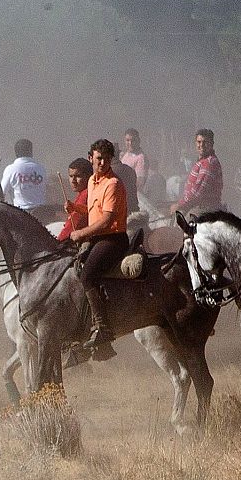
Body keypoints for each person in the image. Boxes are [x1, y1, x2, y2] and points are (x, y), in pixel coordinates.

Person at [61, 139, 128, 361]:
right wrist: (76, 207)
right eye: (98, 158)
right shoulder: (91, 181)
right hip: (99, 238)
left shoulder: (113, 184)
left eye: (106, 159)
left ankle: (103, 328)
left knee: (88, 275)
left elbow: (107, 221)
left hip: (113, 239)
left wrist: (81, 234)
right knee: (74, 269)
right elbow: (93, 212)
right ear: (91, 158)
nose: (102, 163)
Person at [171, 128, 225, 215]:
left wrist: (179, 204)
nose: (201, 145)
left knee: (180, 224)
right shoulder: (202, 161)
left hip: (206, 209)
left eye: (205, 142)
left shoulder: (209, 162)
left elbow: (198, 192)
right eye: (199, 142)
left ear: (211, 144)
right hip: (196, 205)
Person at [0, 138, 53, 220]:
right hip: (42, 213)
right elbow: (48, 189)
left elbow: (1, 193)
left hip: (21, 214)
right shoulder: (41, 168)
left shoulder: (11, 169)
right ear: (31, 152)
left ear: (16, 152)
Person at [55, 157, 91, 242]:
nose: (73, 181)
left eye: (78, 176)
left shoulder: (86, 194)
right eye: (71, 176)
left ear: (89, 177)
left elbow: (74, 223)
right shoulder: (83, 193)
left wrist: (58, 242)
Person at [119, 128, 151, 202]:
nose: (130, 143)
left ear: (138, 141)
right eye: (127, 140)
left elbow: (140, 182)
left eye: (133, 140)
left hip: (133, 196)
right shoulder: (125, 155)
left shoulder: (140, 158)